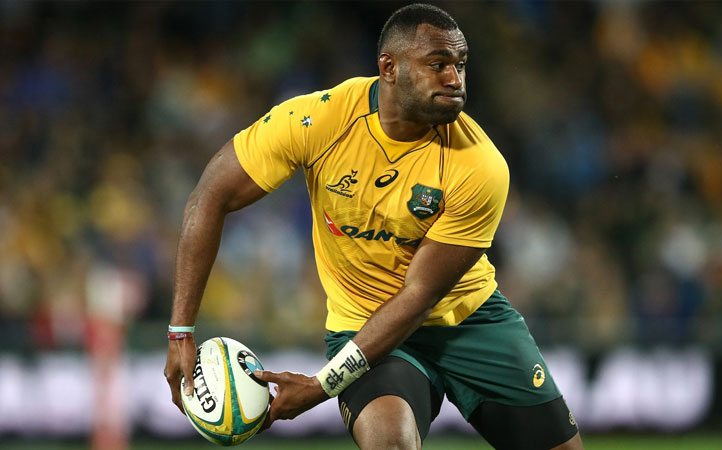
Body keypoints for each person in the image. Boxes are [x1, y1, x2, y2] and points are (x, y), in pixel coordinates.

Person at [164, 4, 583, 449]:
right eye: (437, 64)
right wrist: (180, 332)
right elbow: (210, 197)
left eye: (460, 65)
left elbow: (419, 296)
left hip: (471, 321)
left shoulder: (480, 165)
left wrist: (321, 386)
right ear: (389, 67)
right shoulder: (319, 121)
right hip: (365, 327)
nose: (455, 80)